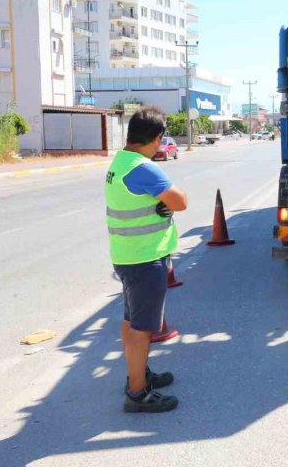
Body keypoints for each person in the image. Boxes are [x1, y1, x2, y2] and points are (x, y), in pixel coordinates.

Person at [105, 107, 188, 412]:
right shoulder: (143, 167)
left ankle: (138, 374)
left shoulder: (121, 161)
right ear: (157, 138)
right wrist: (165, 203)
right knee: (142, 329)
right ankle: (137, 393)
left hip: (127, 256)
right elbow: (181, 201)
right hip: (144, 258)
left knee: (131, 321)